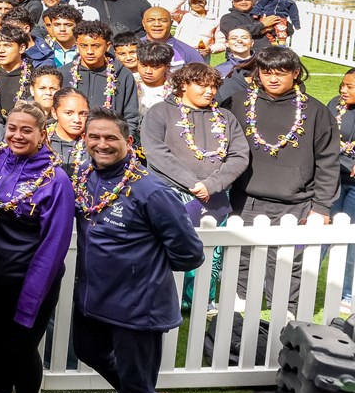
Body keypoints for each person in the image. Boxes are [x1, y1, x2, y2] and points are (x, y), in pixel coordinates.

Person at [73, 111, 203, 393]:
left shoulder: (151, 190)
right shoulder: (83, 176)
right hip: (93, 298)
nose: (101, 144)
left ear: (128, 142)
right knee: (87, 350)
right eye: (95, 137)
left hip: (136, 307)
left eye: (111, 138)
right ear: (85, 139)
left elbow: (190, 252)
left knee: (133, 389)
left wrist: (143, 269)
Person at [0, 102, 73, 393]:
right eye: (12, 128)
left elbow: (55, 242)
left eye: (26, 130)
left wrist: (33, 292)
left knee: (22, 345)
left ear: (43, 134)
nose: (17, 135)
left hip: (32, 279)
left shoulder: (56, 179)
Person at [232, 46, 337, 310]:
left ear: (296, 73)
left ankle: (287, 312)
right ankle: (242, 307)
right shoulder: (237, 103)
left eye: (281, 72)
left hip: (296, 202)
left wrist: (322, 206)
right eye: (267, 72)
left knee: (289, 261)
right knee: (243, 257)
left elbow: (327, 161)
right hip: (247, 198)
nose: (273, 78)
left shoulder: (315, 111)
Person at [142, 63, 250, 224]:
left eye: (213, 86)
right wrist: (193, 184)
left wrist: (212, 184)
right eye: (203, 85)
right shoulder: (160, 111)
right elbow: (155, 151)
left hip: (216, 195)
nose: (210, 91)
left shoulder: (225, 116)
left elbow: (239, 155)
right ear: (184, 84)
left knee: (213, 246)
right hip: (170, 192)